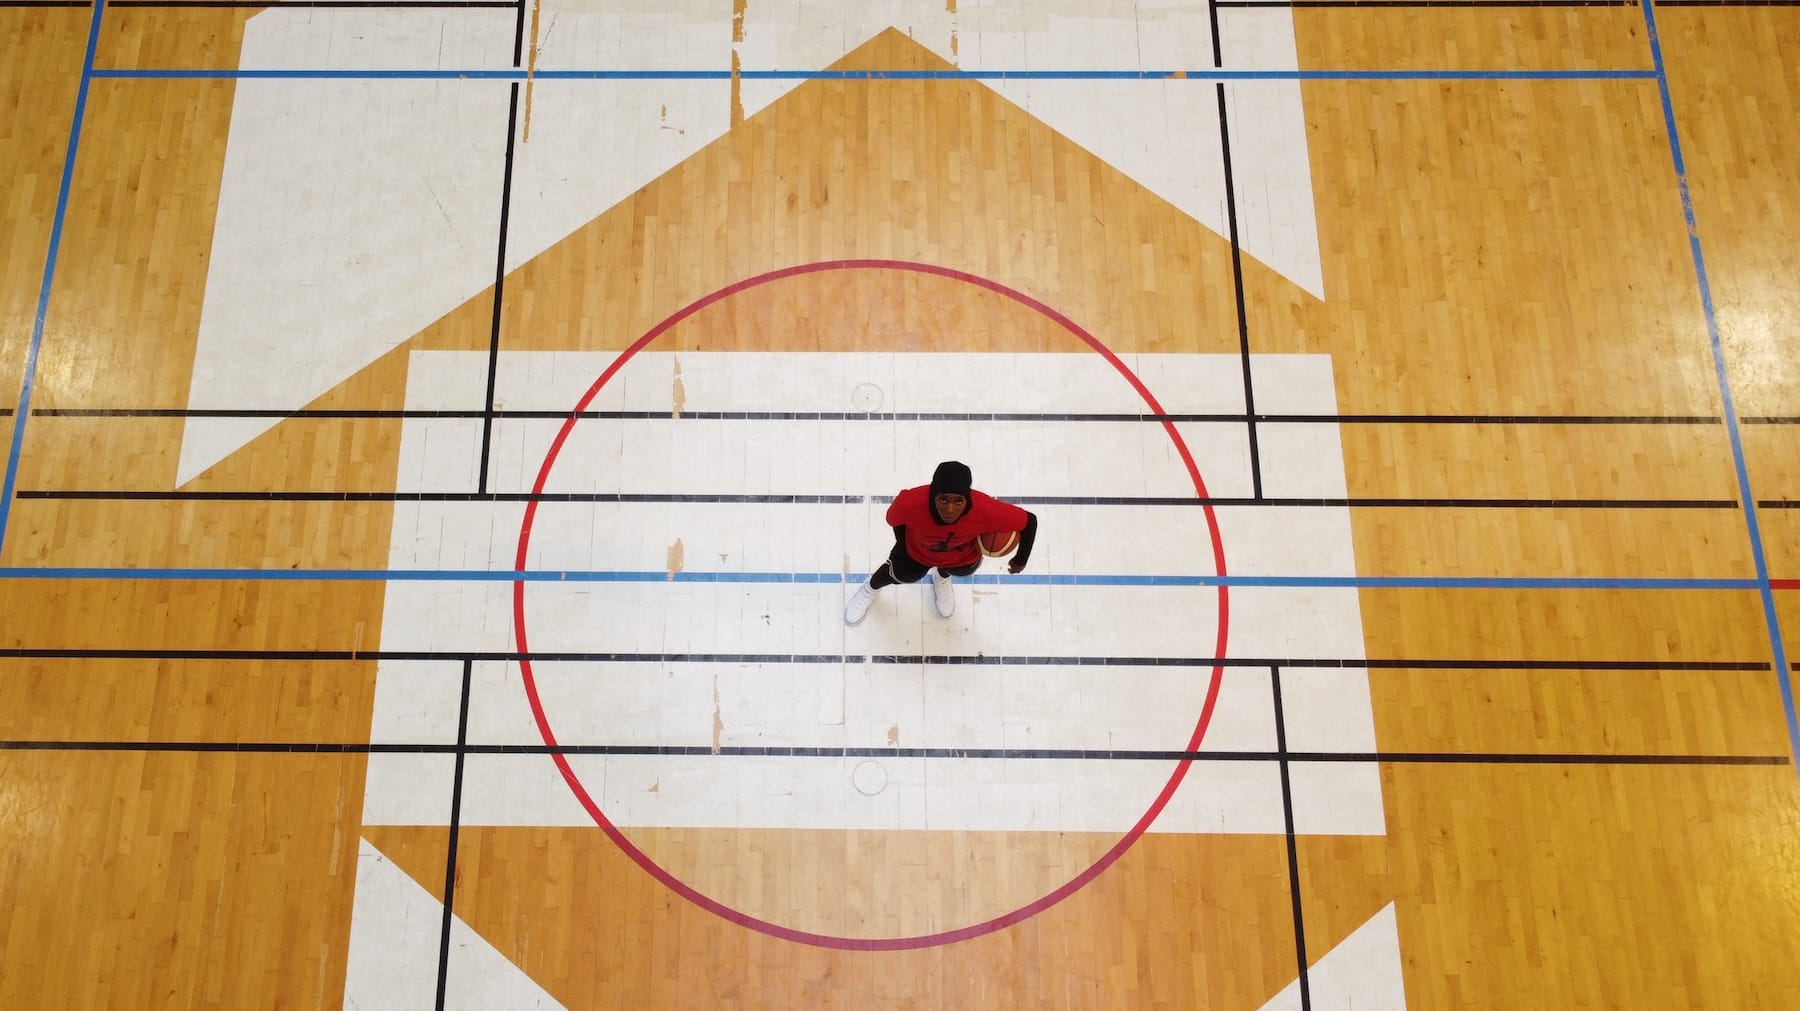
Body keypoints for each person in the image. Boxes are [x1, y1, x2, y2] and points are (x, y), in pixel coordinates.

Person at [844, 460, 1038, 625]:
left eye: (958, 501)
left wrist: (1020, 560)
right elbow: (895, 522)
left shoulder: (985, 508)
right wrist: (904, 548)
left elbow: (1030, 521)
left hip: (961, 558)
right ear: (933, 495)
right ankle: (870, 588)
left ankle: (941, 577)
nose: (950, 509)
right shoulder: (909, 502)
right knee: (897, 574)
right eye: (943, 500)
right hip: (917, 553)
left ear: (967, 499)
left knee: (961, 570)